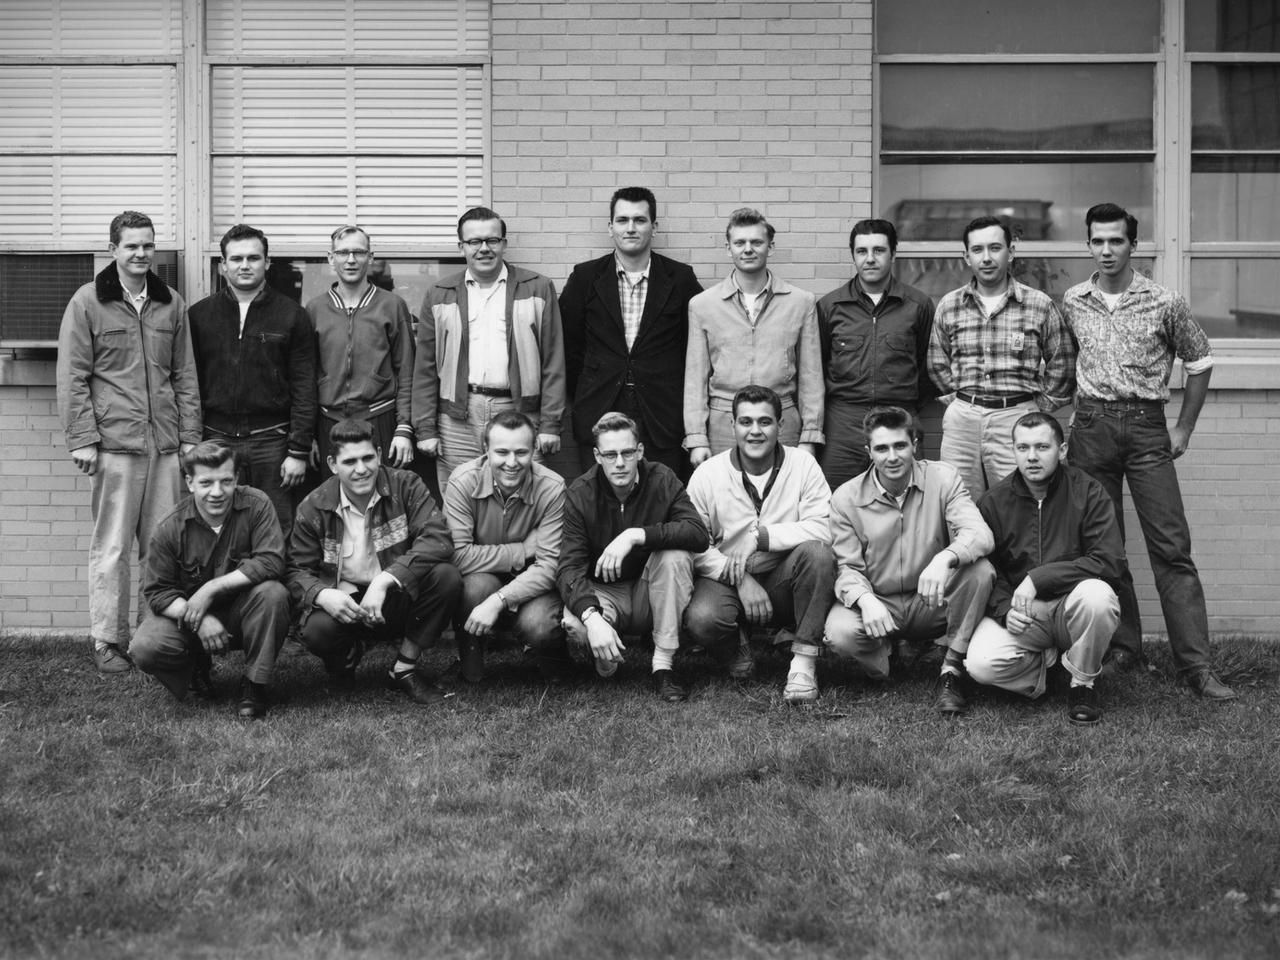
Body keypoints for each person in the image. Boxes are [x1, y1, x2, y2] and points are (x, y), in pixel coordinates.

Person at [1061, 202, 1236, 700]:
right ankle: (1123, 646)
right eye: (1098, 240)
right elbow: (1070, 362)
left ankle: (1196, 667)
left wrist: (1183, 429)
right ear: (1088, 244)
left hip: (1145, 429)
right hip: (1092, 428)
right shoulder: (1074, 300)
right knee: (1103, 546)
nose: (1107, 249)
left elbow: (1200, 362)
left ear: (1133, 245)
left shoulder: (1164, 301)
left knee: (1170, 547)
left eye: (1116, 240)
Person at [56, 210, 202, 675]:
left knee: (160, 546)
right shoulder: (87, 302)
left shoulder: (170, 302)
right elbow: (73, 376)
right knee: (113, 547)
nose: (141, 254)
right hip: (115, 445)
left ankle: (150, 635)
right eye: (132, 246)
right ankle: (106, 639)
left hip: (165, 446)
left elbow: (185, 376)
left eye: (148, 245)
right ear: (113, 249)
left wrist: (190, 439)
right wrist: (82, 438)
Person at [824, 406, 995, 714]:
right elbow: (847, 567)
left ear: (914, 444)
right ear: (869, 451)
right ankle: (884, 661)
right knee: (840, 632)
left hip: (932, 600)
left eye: (900, 445)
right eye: (882, 448)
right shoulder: (845, 498)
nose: (892, 456)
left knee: (980, 571)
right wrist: (865, 600)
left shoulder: (943, 478)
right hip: (881, 603)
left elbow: (979, 533)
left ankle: (951, 669)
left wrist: (946, 558)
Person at [288, 418, 461, 704]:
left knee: (447, 577)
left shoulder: (406, 485)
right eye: (350, 461)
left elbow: (437, 539)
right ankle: (343, 664)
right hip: (347, 604)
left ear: (379, 455)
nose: (361, 469)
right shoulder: (313, 506)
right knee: (316, 629)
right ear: (332, 464)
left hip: (396, 595)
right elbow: (295, 571)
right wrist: (322, 594)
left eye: (368, 458)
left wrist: (385, 580)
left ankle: (404, 669)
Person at [965, 413, 1124, 724]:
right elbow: (987, 569)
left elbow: (1110, 561)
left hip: (1071, 609)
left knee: (1098, 597)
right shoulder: (994, 502)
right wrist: (1003, 610)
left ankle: (1082, 684)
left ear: (1061, 450)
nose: (1032, 457)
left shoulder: (1087, 492)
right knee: (980, 665)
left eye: (1042, 447)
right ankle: (1047, 667)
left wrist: (1039, 578)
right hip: (1025, 614)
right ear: (1013, 451)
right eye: (1023, 448)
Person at [685, 385, 835, 703]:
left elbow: (824, 528)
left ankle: (803, 664)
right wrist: (739, 578)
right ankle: (735, 648)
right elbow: (695, 545)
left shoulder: (804, 465)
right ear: (733, 426)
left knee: (819, 555)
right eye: (746, 422)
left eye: (765, 422)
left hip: (784, 577)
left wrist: (761, 537)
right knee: (702, 617)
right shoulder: (707, 474)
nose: (755, 431)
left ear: (780, 425)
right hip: (728, 581)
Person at [557, 412, 710, 702]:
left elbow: (697, 534)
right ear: (596, 456)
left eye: (627, 452)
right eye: (610, 454)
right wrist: (592, 617)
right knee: (577, 626)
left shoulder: (662, 479)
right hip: (604, 592)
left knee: (675, 555)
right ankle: (606, 658)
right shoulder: (580, 493)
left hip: (650, 589)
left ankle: (663, 666)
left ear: (639, 451)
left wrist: (636, 535)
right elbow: (568, 568)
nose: (619, 462)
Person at [131, 441, 290, 719]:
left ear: (237, 479)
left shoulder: (257, 505)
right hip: (189, 619)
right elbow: (156, 592)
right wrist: (198, 618)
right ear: (190, 482)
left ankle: (255, 685)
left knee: (273, 594)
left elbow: (272, 561)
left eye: (226, 481)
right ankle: (194, 669)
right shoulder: (169, 527)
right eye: (206, 483)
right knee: (145, 645)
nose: (217, 492)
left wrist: (212, 587)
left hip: (244, 612)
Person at [414, 206, 566, 490]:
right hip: (457, 417)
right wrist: (425, 428)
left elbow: (554, 362)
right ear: (461, 247)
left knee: (523, 495)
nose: (484, 248)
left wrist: (550, 424)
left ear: (504, 244)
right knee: (460, 495)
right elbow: (424, 368)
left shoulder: (538, 288)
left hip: (520, 410)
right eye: (474, 242)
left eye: (492, 241)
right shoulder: (439, 294)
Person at [927, 215, 1076, 499]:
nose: (987, 257)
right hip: (963, 422)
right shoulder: (950, 305)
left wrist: (1034, 407)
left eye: (995, 248)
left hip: (1017, 417)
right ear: (966, 257)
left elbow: (1062, 364)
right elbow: (937, 362)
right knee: (957, 501)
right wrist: (961, 401)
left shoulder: (1038, 304)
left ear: (1011, 252)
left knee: (1020, 502)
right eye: (978, 250)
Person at [560, 186, 703, 477]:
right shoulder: (585, 277)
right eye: (623, 220)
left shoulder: (680, 278)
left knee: (662, 496)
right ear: (610, 227)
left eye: (640, 220)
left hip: (662, 415)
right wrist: (586, 390)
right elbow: (568, 345)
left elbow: (695, 346)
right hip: (599, 408)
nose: (631, 228)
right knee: (600, 499)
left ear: (654, 226)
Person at [188, 224, 316, 533]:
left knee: (276, 528)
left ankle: (273, 584)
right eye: (236, 259)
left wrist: (298, 451)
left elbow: (305, 385)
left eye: (253, 258)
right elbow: (186, 383)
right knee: (216, 528)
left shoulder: (292, 315)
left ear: (267, 263)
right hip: (215, 439)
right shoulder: (199, 315)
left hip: (272, 443)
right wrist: (190, 440)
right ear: (223, 264)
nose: (245, 265)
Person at [684, 208, 824, 465]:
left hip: (782, 419)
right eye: (740, 243)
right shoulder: (703, 305)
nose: (748, 249)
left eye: (756, 242)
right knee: (725, 499)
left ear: (770, 247)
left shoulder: (800, 302)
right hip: (723, 421)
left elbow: (811, 377)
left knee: (784, 498)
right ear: (729, 248)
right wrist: (697, 438)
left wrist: (809, 436)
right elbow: (695, 379)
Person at [444, 411, 567, 683]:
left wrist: (499, 600)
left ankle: (553, 658)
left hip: (532, 581)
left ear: (534, 451)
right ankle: (471, 667)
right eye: (501, 452)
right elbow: (457, 556)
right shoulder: (462, 481)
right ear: (485, 449)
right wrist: (521, 550)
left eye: (521, 452)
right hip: (482, 578)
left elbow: (549, 567)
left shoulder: (553, 488)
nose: (512, 462)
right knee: (472, 587)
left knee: (538, 624)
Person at [816, 219, 935, 490]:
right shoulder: (830, 306)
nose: (870, 259)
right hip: (843, 422)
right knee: (836, 501)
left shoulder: (917, 305)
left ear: (893, 253)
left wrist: (905, 404)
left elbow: (928, 369)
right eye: (862, 251)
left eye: (879, 250)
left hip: (900, 417)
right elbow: (818, 367)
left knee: (910, 498)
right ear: (853, 255)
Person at [305, 225, 415, 475]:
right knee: (333, 500)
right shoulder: (315, 309)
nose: (351, 260)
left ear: (370, 257)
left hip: (378, 417)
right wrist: (307, 435)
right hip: (329, 421)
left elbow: (407, 370)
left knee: (382, 496)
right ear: (331, 259)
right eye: (343, 253)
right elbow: (306, 377)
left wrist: (404, 427)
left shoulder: (392, 305)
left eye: (359, 252)